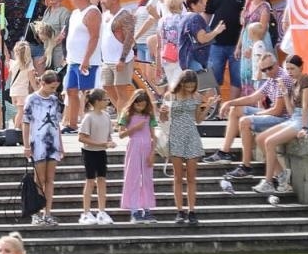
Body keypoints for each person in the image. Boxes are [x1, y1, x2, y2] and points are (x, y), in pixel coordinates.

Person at [206, 50, 291, 170]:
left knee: (245, 121)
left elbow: (277, 111)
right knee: (235, 110)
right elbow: (253, 98)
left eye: (269, 68)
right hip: (274, 114)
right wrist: (230, 103)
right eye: (264, 70)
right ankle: (225, 152)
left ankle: (246, 166)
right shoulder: (272, 77)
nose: (267, 72)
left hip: (283, 119)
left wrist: (257, 114)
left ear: (277, 64)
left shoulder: (283, 78)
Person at [255, 54, 308, 195]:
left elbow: (306, 106)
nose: (289, 72)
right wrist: (284, 93)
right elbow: (290, 111)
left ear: (301, 67)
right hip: (295, 117)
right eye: (287, 69)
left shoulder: (306, 80)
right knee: (260, 139)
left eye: (292, 69)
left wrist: (305, 128)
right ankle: (282, 175)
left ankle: (269, 182)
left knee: (270, 142)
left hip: (305, 120)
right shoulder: (293, 83)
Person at [159, 70, 214, 226]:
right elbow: (163, 120)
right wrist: (162, 113)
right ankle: (179, 211)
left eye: (192, 86)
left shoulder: (196, 97)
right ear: (181, 83)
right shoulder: (169, 96)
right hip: (175, 136)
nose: (190, 89)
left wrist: (207, 107)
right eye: (187, 86)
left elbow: (198, 121)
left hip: (192, 137)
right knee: (177, 177)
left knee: (191, 178)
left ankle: (192, 210)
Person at [22, 70, 64, 226]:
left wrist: (61, 144)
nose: (53, 91)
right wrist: (26, 145)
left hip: (52, 142)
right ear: (42, 83)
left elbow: (56, 123)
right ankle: (36, 213)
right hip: (38, 141)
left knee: (50, 179)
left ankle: (48, 212)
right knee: (39, 179)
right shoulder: (32, 99)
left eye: (55, 87)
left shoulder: (54, 100)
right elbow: (25, 123)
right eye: (51, 87)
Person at [203, 0, 248, 101]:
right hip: (216, 43)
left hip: (238, 44)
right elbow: (207, 14)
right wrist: (202, 35)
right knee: (212, 76)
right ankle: (213, 108)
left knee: (237, 77)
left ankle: (231, 108)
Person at [62, 0, 101, 131]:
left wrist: (86, 59)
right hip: (73, 60)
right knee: (71, 90)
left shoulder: (92, 12)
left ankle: (91, 124)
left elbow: (94, 37)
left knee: (87, 92)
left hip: (87, 61)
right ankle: (72, 124)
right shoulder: (75, 13)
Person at [77, 87, 115, 224]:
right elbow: (81, 137)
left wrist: (109, 142)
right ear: (98, 101)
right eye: (105, 100)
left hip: (101, 152)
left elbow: (109, 135)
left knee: (102, 180)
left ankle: (101, 211)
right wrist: (101, 144)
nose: (107, 102)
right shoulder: (89, 117)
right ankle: (86, 212)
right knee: (90, 180)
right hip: (89, 152)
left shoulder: (106, 116)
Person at [118, 89, 157, 221]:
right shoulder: (127, 115)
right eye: (137, 104)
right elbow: (121, 134)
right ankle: (134, 209)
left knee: (147, 179)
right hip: (134, 146)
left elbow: (153, 136)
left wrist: (152, 153)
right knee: (132, 177)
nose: (140, 107)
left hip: (146, 146)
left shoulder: (149, 116)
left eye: (143, 104)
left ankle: (147, 208)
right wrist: (134, 128)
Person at [96, 0, 136, 109]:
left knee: (121, 91)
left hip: (121, 60)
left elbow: (129, 39)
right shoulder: (105, 15)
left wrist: (122, 59)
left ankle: (123, 121)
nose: (101, 1)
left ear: (114, 0)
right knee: (107, 87)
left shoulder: (124, 15)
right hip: (107, 61)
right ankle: (124, 114)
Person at [155, 0, 187, 85]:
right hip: (181, 57)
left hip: (166, 57)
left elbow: (159, 45)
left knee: (172, 84)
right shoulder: (185, 19)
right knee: (177, 88)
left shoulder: (162, 21)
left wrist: (158, 65)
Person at [37, 0, 69, 72]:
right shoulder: (47, 10)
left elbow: (63, 34)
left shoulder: (64, 12)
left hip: (58, 52)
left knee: (58, 77)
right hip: (47, 51)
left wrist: (50, 47)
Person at [7, 40, 34, 122]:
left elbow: (9, 77)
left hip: (13, 91)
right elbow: (32, 81)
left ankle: (17, 130)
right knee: (21, 112)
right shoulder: (28, 65)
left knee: (15, 112)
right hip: (22, 91)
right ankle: (16, 129)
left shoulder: (12, 64)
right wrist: (37, 91)